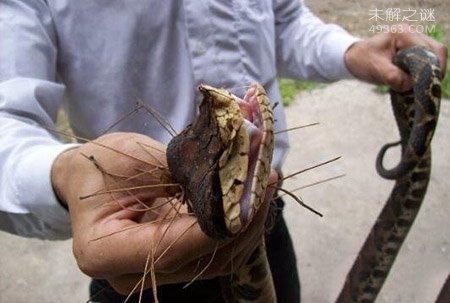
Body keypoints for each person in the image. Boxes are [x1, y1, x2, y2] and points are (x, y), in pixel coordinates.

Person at [0, 0, 446, 302]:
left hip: (266, 227)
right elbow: (8, 117)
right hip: (140, 260)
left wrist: (349, 52)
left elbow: (285, 21)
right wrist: (64, 175)